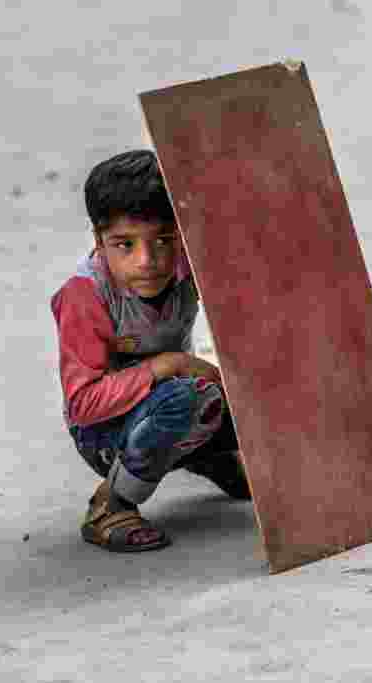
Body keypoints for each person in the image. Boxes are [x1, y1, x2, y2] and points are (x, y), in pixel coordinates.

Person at [50, 149, 251, 553]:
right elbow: (83, 405)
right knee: (184, 398)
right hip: (106, 433)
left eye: (163, 240)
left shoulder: (187, 266)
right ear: (99, 241)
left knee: (248, 384)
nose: (148, 261)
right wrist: (168, 364)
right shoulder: (85, 296)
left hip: (180, 399)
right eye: (124, 244)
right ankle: (111, 505)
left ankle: (207, 454)